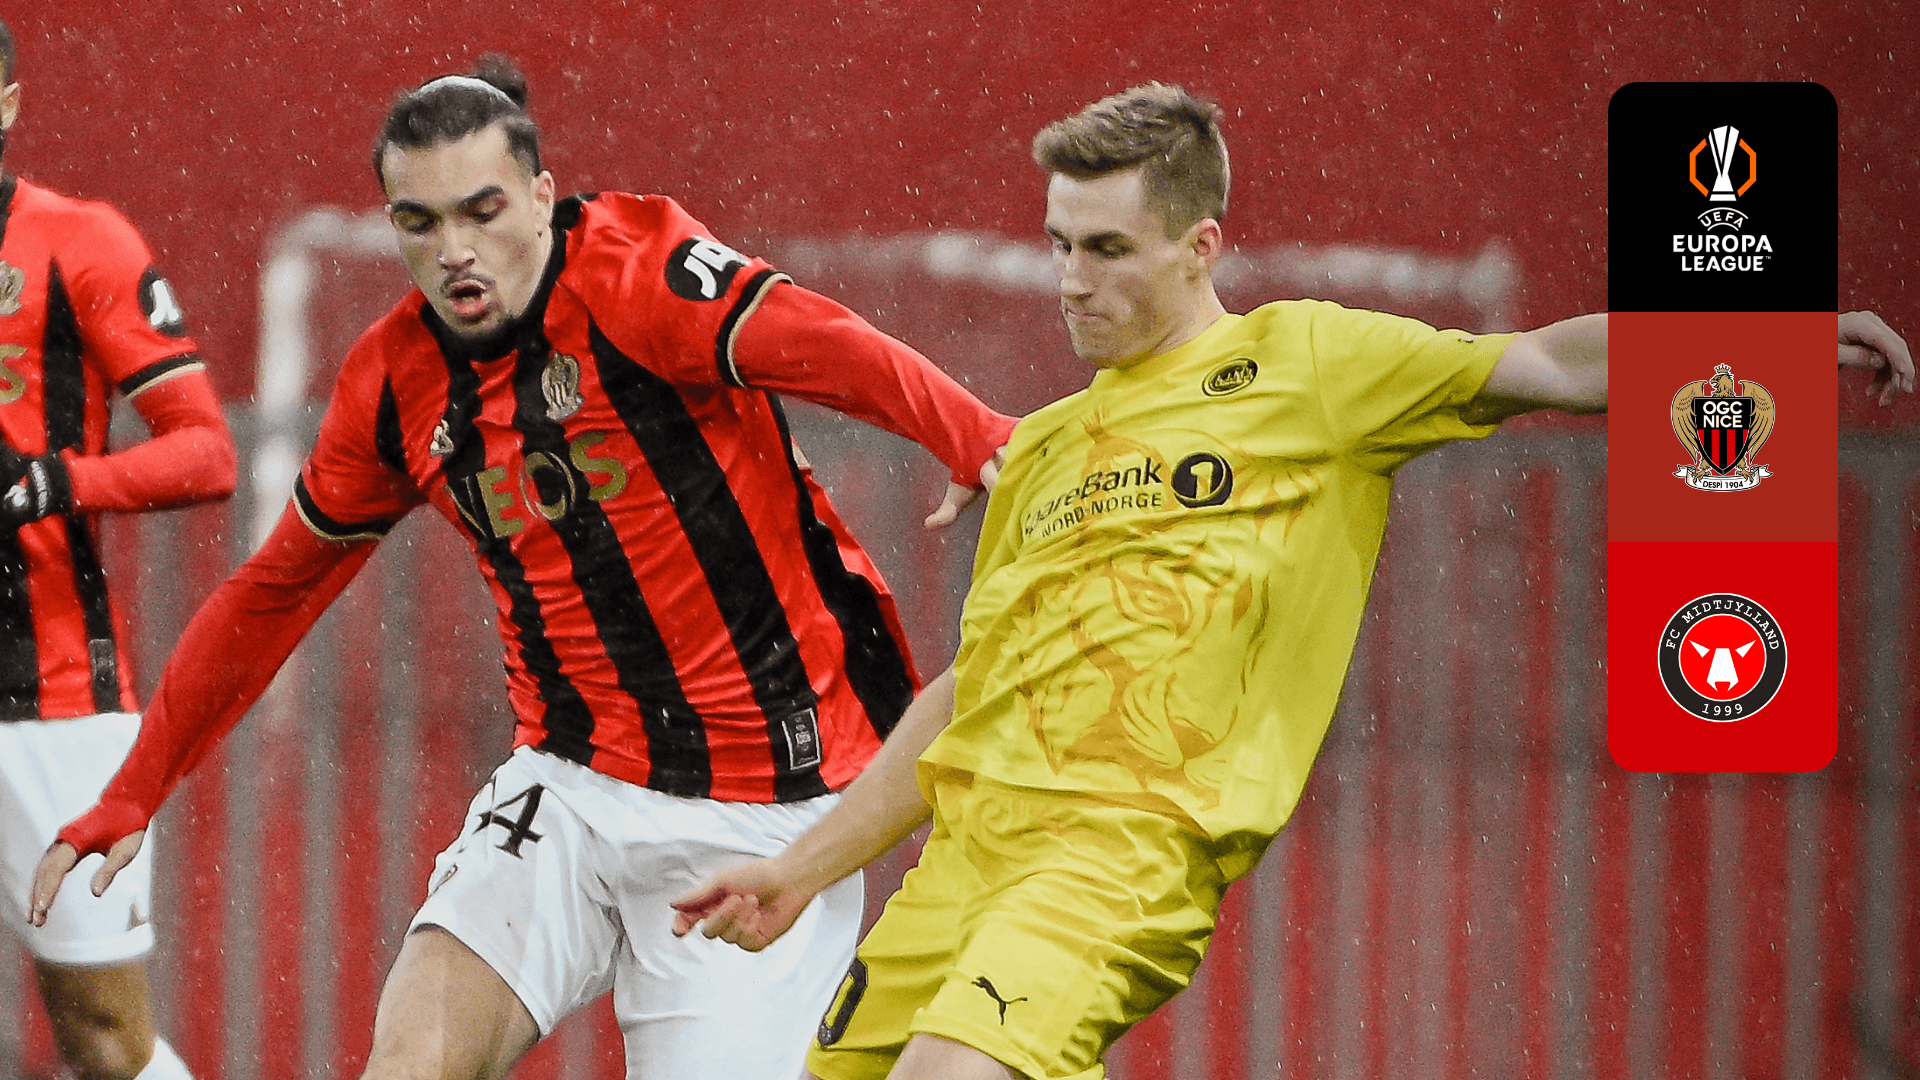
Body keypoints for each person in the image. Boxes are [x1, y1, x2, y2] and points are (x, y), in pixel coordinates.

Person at [30, 57, 1014, 1080]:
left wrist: (972, 433)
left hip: (764, 808)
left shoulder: (638, 272)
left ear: (543, 196)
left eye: (482, 210)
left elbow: (825, 341)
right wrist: (134, 790)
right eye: (418, 222)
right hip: (571, 784)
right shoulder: (394, 382)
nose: (454, 250)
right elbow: (273, 593)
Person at [664, 81, 1610, 1080]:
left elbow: (1550, 366)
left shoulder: (1306, 362)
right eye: (1060, 245)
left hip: (1115, 859)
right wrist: (798, 872)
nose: (1073, 281)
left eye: (1109, 249)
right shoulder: (1041, 448)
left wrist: (1721, 361)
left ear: (1201, 246)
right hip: (957, 876)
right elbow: (973, 695)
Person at [0, 16, 235, 1080]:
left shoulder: (76, 239)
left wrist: (54, 482)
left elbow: (205, 452)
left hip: (51, 696)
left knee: (102, 1036)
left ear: (7, 105)